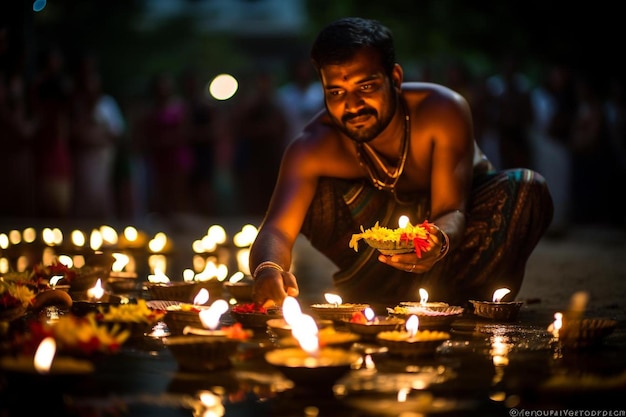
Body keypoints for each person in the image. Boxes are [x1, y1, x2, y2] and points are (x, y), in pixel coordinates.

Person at [249, 17, 553, 310]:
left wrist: (439, 241)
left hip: (459, 251)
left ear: (394, 78)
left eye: (366, 87)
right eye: (336, 92)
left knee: (526, 188)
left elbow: (451, 210)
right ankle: (378, 292)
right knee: (313, 193)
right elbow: (276, 228)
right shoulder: (313, 145)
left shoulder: (441, 111)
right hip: (379, 268)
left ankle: (471, 296)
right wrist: (267, 269)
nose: (352, 106)